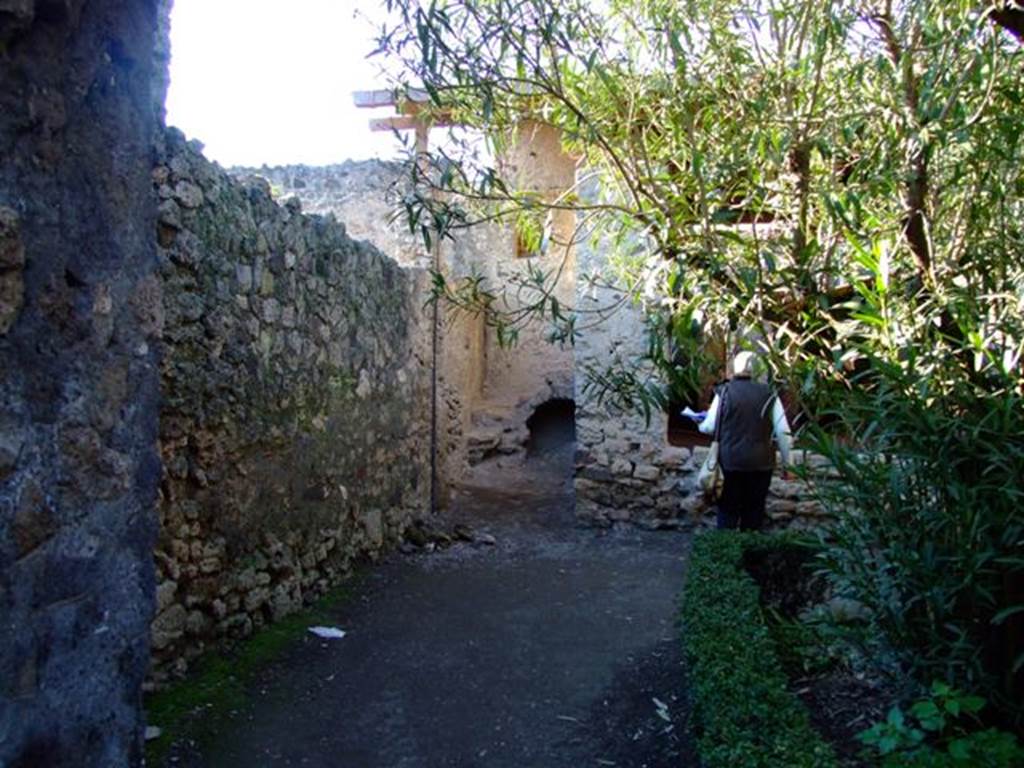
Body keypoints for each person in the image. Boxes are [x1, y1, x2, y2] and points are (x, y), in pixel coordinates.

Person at [698, 351, 792, 531]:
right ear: (757, 370)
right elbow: (783, 431)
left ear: (734, 368)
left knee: (727, 512)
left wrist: (699, 423)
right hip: (762, 463)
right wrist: (789, 465)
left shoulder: (724, 392)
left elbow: (709, 427)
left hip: (730, 462)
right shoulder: (769, 393)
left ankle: (725, 555)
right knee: (754, 513)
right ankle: (750, 556)